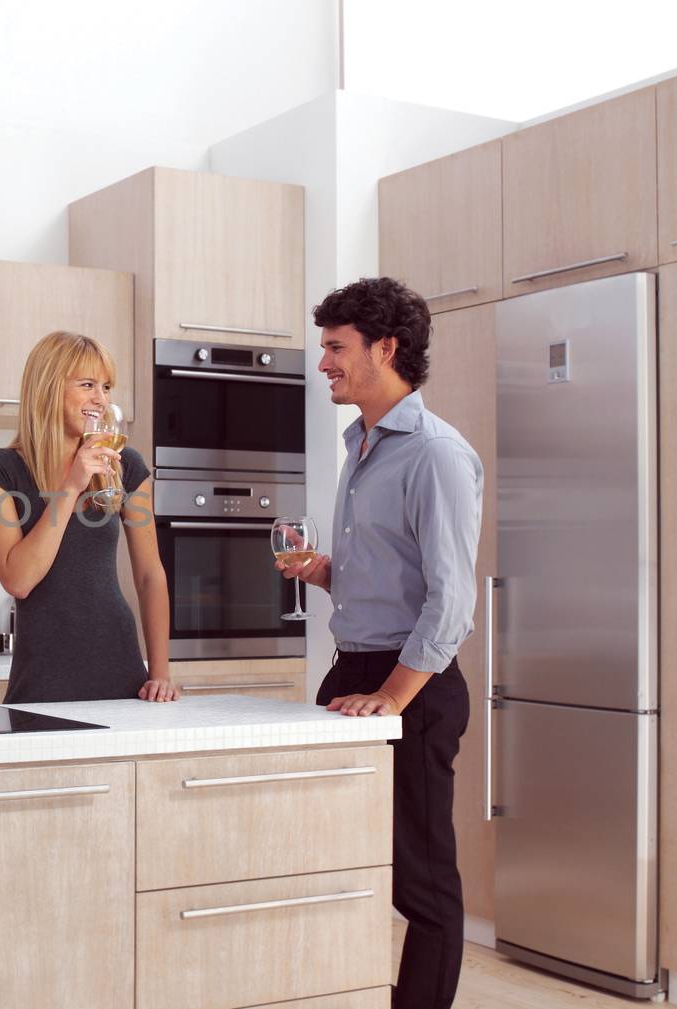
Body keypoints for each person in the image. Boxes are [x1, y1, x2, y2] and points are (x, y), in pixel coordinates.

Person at [278, 276, 481, 1009]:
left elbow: (451, 599)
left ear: (385, 347)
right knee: (342, 861)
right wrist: (327, 571)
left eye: (336, 347)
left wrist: (392, 697)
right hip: (352, 677)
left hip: (410, 690)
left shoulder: (435, 453)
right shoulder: (361, 445)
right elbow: (395, 576)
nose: (324, 361)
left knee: (421, 882)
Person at [0, 331, 176, 703]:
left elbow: (149, 575)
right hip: (44, 678)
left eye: (107, 386)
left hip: (123, 674)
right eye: (87, 384)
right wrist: (71, 486)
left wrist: (160, 674)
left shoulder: (125, 465)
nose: (101, 398)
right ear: (48, 388)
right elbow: (19, 580)